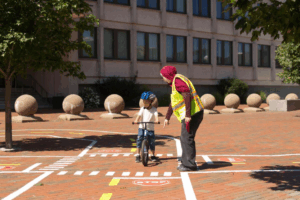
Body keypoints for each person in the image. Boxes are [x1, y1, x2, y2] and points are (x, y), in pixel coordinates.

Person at [160, 66, 204, 171]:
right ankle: (186, 163)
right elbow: (174, 102)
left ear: (168, 75)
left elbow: (187, 95)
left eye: (163, 76)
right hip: (193, 113)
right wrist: (167, 117)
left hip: (193, 113)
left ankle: (189, 165)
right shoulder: (176, 82)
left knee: (186, 138)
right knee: (185, 138)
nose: (163, 79)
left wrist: (188, 115)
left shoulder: (178, 81)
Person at [134, 91, 159, 163]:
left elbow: (156, 116)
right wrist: (136, 120)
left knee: (152, 141)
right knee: (139, 139)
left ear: (151, 101)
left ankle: (153, 155)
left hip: (150, 128)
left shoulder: (154, 109)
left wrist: (157, 120)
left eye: (146, 102)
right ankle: (138, 155)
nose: (144, 103)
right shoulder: (142, 109)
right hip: (142, 127)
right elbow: (139, 116)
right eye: (143, 102)